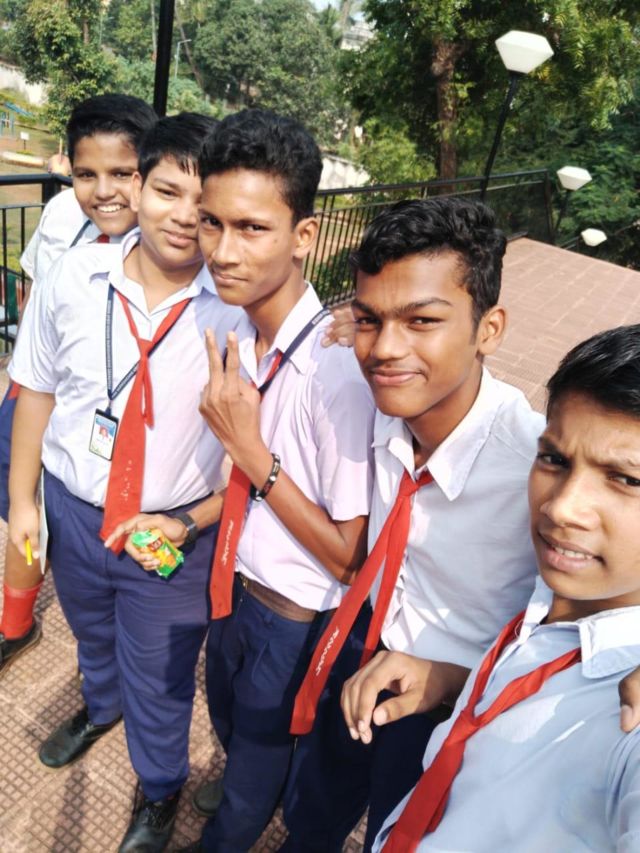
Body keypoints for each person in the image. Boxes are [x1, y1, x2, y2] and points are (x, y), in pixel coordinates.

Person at [281, 197, 546, 851]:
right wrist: (351, 323)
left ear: (489, 329)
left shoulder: (539, 469)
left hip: (448, 699)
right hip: (359, 646)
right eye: (370, 320)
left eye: (422, 320)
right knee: (313, 811)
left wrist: (452, 678)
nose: (385, 349)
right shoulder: (377, 402)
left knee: (398, 833)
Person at [8, 112, 239, 853]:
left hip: (170, 534)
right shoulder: (74, 276)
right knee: (91, 632)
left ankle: (160, 785)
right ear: (138, 187)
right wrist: (22, 502)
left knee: (161, 674)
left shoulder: (237, 312)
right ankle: (100, 706)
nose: (185, 216)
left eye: (205, 204)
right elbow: (37, 390)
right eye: (168, 191)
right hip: (75, 510)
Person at [170, 107, 375, 852]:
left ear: (304, 236)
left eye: (252, 228)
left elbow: (350, 556)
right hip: (231, 584)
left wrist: (251, 453)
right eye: (212, 223)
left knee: (250, 782)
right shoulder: (237, 328)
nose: (222, 252)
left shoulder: (337, 371)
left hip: (290, 617)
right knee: (228, 724)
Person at [375, 324, 640, 852]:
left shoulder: (628, 715)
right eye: (554, 460)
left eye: (627, 479)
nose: (561, 507)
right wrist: (452, 681)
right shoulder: (554, 599)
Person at [0, 94, 157, 678]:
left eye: (124, 173)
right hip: (43, 394)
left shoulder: (172, 245)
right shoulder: (63, 215)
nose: (104, 191)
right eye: (87, 174)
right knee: (24, 510)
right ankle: (15, 623)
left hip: (116, 423)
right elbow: (33, 290)